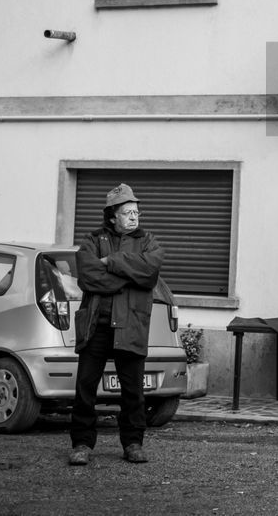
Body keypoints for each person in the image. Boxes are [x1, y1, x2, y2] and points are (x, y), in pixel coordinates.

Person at [69, 183, 165, 466]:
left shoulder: (148, 242)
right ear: (113, 216)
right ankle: (82, 444)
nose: (134, 217)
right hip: (96, 325)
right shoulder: (92, 239)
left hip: (131, 324)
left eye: (136, 212)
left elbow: (150, 274)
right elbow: (88, 278)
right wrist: (130, 274)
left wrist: (112, 260)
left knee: (133, 390)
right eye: (127, 212)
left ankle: (133, 443)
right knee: (85, 386)